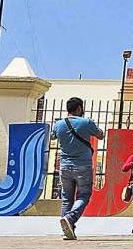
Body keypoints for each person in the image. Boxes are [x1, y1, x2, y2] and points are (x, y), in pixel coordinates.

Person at [50, 96, 105, 241]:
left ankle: (67, 230)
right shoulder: (86, 122)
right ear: (79, 108)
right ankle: (70, 218)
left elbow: (52, 136)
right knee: (83, 196)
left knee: (66, 198)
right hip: (83, 166)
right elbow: (101, 135)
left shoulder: (59, 124)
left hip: (65, 166)